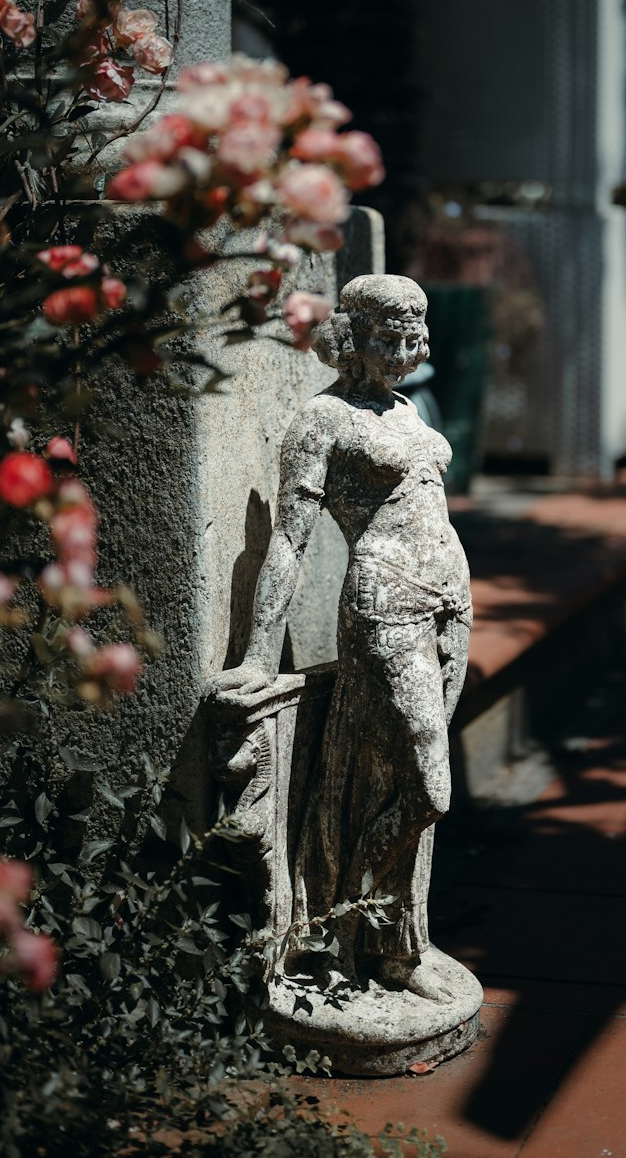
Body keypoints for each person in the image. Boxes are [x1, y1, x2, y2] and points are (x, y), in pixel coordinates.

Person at [216, 274, 471, 1001]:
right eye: (389, 337)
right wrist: (262, 653)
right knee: (429, 787)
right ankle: (343, 915)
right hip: (385, 602)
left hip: (450, 600)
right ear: (353, 335)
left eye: (413, 336)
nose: (405, 351)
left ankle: (395, 948)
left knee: (402, 777)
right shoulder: (321, 419)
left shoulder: (405, 409)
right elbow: (290, 543)